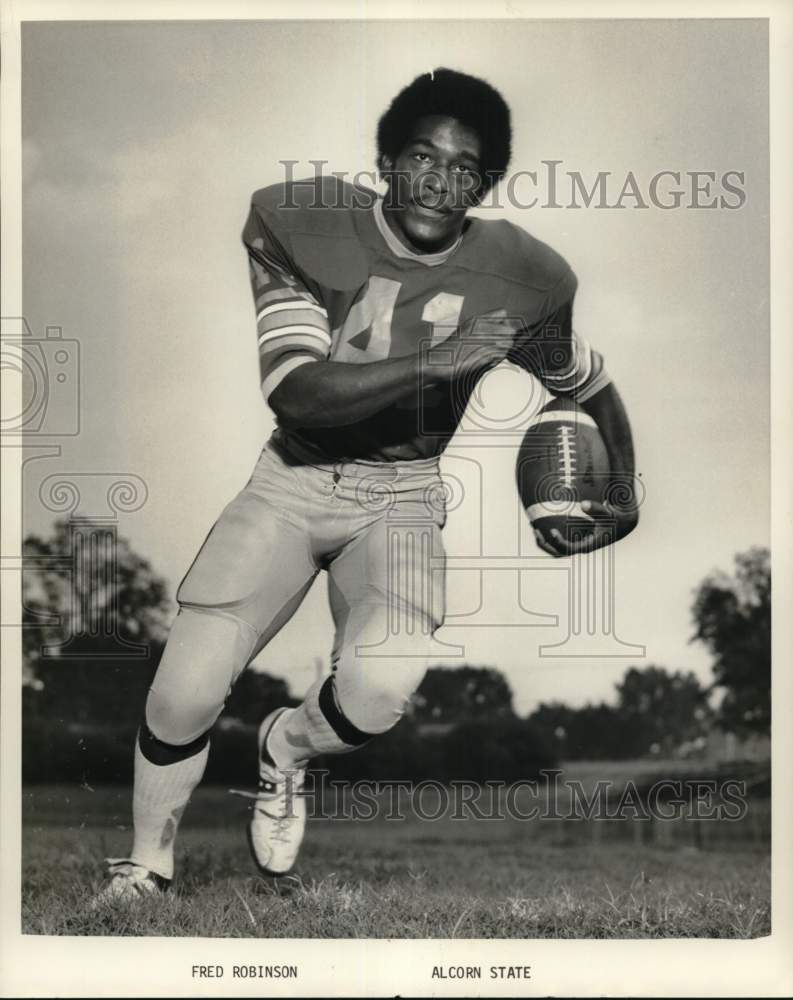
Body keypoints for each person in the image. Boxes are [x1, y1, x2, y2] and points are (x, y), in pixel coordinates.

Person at [95, 67, 637, 901]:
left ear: (485, 183)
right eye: (421, 156)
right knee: (186, 687)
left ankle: (286, 750)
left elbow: (586, 381)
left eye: (465, 168)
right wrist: (434, 362)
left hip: (404, 494)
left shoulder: (524, 277)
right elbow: (296, 388)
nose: (439, 181)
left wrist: (624, 489)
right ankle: (145, 867)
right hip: (293, 477)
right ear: (385, 161)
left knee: (380, 692)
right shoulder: (301, 223)